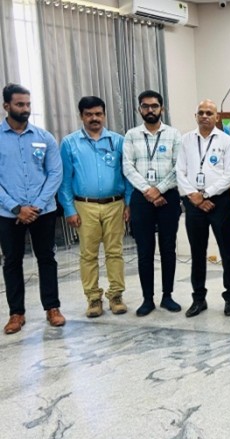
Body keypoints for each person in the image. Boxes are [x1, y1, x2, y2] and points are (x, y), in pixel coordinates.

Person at [59, 96, 133, 318]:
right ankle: (93, 298)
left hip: (115, 204)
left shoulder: (118, 141)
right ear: (81, 116)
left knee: (115, 252)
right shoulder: (70, 143)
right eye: (89, 114)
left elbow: (127, 175)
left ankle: (116, 295)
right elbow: (64, 180)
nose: (94, 118)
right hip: (85, 206)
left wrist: (128, 203)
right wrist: (69, 209)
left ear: (104, 115)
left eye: (98, 114)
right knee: (88, 254)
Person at [0, 83, 64, 334]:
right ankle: (16, 313)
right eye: (20, 104)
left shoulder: (44, 137)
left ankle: (52, 308)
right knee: (12, 261)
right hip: (8, 213)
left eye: (28, 104)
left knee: (46, 258)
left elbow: (55, 173)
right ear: (6, 106)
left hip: (42, 211)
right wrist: (16, 208)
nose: (25, 108)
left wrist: (35, 206)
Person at [123, 90, 183, 317]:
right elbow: (127, 167)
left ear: (162, 109)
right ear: (139, 109)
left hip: (168, 197)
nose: (150, 110)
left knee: (168, 248)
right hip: (141, 198)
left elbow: (179, 167)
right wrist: (148, 190)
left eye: (154, 106)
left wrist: (159, 189)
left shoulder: (174, 134)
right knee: (145, 250)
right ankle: (147, 299)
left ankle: (167, 296)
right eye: (145, 106)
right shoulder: (131, 135)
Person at [176, 99, 230, 317]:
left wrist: (205, 194)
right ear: (195, 116)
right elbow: (179, 171)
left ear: (217, 117)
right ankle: (199, 298)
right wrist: (195, 197)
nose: (204, 116)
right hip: (193, 203)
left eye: (209, 113)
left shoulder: (226, 140)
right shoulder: (186, 140)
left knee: (226, 250)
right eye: (201, 112)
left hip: (219, 202)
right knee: (197, 251)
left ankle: (229, 296)